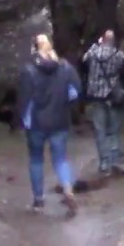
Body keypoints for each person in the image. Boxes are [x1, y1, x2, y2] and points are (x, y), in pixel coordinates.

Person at [15, 34, 81, 215]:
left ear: (34, 49)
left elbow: (25, 101)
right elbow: (75, 92)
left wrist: (23, 123)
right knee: (60, 159)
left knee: (36, 160)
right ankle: (68, 190)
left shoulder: (28, 71)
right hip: (59, 121)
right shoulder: (66, 68)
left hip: (36, 124)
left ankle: (38, 200)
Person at [81, 30, 124, 176]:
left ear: (102, 39)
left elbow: (83, 60)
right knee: (113, 130)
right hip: (113, 97)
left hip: (96, 97)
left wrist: (96, 45)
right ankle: (114, 161)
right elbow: (123, 64)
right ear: (113, 41)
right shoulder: (118, 55)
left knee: (99, 131)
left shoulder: (93, 53)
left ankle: (104, 163)